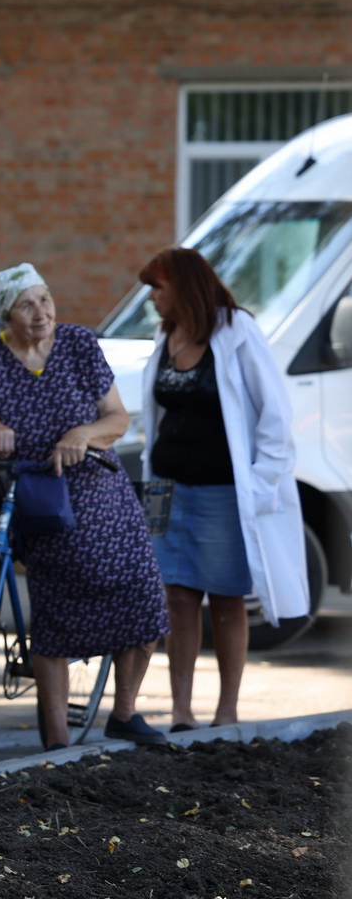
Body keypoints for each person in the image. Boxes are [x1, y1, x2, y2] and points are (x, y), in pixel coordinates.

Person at [0, 263, 171, 749]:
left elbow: (117, 419)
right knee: (55, 610)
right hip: (39, 496)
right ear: (6, 315)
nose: (41, 313)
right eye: (26, 304)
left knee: (144, 599)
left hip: (101, 490)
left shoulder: (79, 344)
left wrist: (83, 434)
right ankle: (58, 739)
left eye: (44, 299)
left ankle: (123, 712)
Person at [137, 247, 307, 731]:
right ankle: (181, 711)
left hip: (222, 492)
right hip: (168, 489)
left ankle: (227, 711)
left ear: (184, 287)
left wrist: (258, 482)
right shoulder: (165, 334)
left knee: (227, 597)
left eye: (158, 287)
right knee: (177, 599)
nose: (151, 297)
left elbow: (275, 415)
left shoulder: (236, 331)